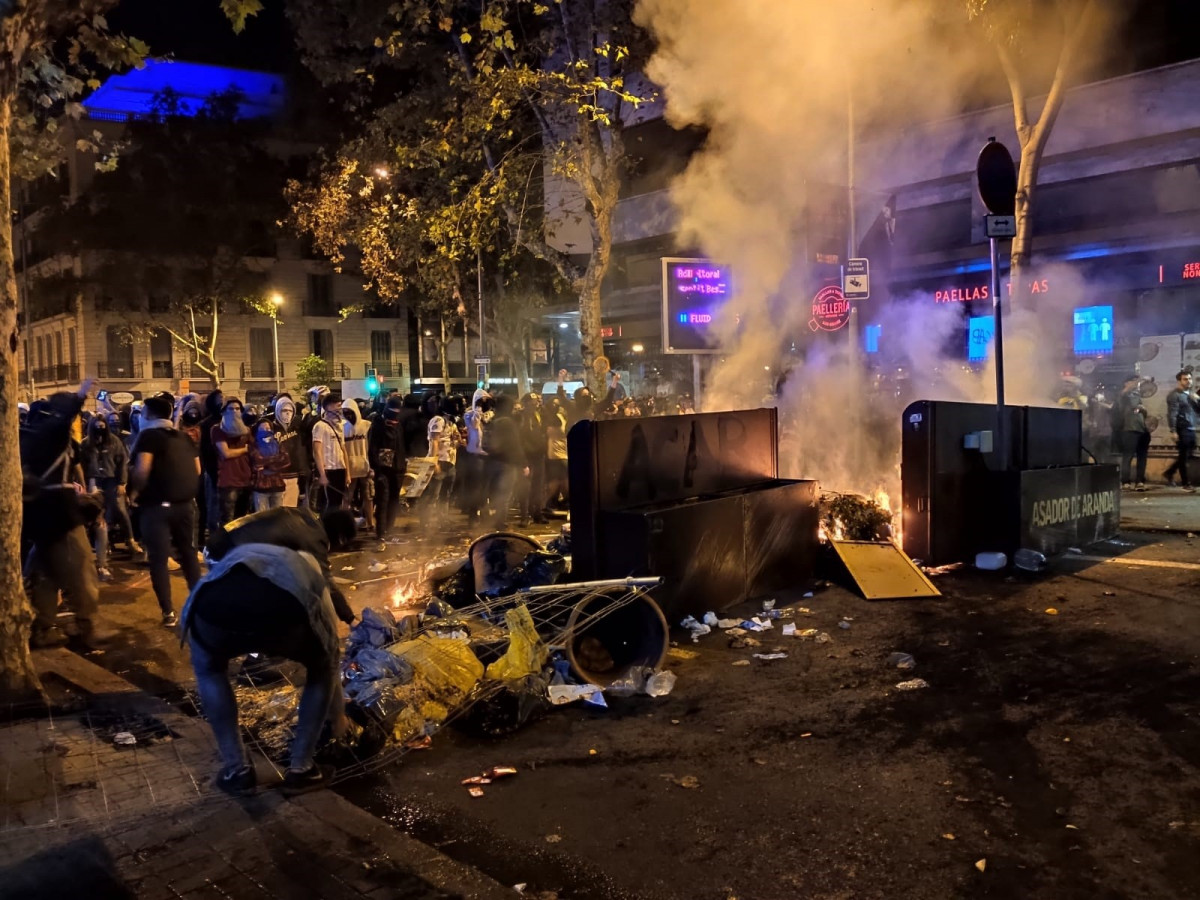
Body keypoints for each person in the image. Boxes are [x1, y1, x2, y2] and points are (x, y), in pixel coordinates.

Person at [181, 540, 351, 795]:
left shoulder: (235, 554)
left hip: (214, 611)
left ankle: (237, 771)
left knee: (209, 670)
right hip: (285, 612)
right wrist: (337, 714)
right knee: (322, 669)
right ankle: (302, 770)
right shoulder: (307, 564)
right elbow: (329, 650)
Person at [21, 383, 106, 649]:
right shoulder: (51, 436)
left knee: (46, 574)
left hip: (40, 515)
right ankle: (85, 626)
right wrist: (80, 395)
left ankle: (41, 628)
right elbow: (64, 417)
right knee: (82, 570)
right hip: (60, 515)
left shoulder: (28, 438)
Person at [127, 393, 203, 626]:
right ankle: (200, 604)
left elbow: (142, 470)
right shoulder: (184, 437)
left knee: (159, 559)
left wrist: (133, 493)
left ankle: (168, 613)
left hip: (156, 508)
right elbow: (198, 470)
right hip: (185, 506)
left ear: (148, 414)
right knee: (188, 554)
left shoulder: (147, 436)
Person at [81, 413, 141, 562]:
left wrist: (122, 483)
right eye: (97, 426)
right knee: (98, 513)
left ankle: (130, 540)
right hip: (95, 479)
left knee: (120, 509)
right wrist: (85, 483)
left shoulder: (114, 442)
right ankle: (104, 543)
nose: (100, 428)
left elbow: (122, 464)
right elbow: (82, 465)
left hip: (112, 479)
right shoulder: (86, 443)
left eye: (102, 426)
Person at [482, 394, 528, 529]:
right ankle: (500, 522)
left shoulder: (493, 420)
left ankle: (488, 515)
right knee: (505, 494)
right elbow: (515, 445)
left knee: (494, 492)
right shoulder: (508, 422)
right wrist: (523, 463)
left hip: (491, 461)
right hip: (506, 463)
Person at [212, 397, 254, 524]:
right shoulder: (218, 429)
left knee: (242, 519)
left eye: (237, 409)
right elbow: (226, 453)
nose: (235, 411)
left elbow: (254, 449)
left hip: (245, 479)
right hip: (228, 480)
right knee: (227, 521)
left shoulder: (247, 430)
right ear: (224, 411)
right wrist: (245, 449)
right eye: (231, 409)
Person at [368, 403, 406, 542]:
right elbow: (372, 447)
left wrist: (403, 465)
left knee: (394, 500)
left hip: (398, 468)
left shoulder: (398, 425)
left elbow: (402, 445)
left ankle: (389, 529)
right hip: (382, 469)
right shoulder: (378, 425)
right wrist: (375, 466)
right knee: (383, 500)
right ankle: (381, 532)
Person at [312, 394, 349, 513]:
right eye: (338, 406)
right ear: (328, 407)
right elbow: (317, 451)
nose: (340, 409)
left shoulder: (340, 426)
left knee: (338, 502)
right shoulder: (320, 426)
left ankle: (335, 528)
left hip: (340, 469)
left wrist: (347, 473)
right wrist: (322, 475)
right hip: (328, 469)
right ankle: (327, 528)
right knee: (329, 504)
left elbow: (343, 450)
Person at [1164, 369, 1198, 492]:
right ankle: (1186, 484)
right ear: (1179, 381)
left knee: (1188, 454)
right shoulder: (1175, 395)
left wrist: (1197, 400)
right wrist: (1173, 430)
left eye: (1189, 379)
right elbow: (1172, 414)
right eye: (1185, 379)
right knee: (1184, 456)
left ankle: (1169, 472)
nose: (1188, 381)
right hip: (1182, 428)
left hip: (1191, 427)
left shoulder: (1191, 394)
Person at [423, 408, 458, 525]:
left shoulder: (452, 423)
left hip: (450, 462)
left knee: (446, 494)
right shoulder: (438, 420)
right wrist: (434, 462)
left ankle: (442, 519)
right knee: (433, 494)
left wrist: (458, 440)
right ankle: (427, 521)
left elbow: (452, 442)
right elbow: (434, 441)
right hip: (440, 462)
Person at [342, 398, 373, 528]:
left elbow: (371, 447)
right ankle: (344, 524)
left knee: (368, 496)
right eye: (345, 413)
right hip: (350, 468)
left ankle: (371, 523)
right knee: (347, 497)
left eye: (350, 412)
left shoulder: (367, 426)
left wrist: (372, 466)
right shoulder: (342, 428)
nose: (348, 415)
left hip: (365, 467)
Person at [197, 390, 224, 539]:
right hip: (212, 469)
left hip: (229, 471)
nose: (222, 401)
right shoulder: (206, 424)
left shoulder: (228, 420)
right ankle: (214, 536)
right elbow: (205, 449)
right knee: (213, 505)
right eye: (219, 399)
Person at [518, 392, 548, 524]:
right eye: (533, 401)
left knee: (538, 485)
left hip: (539, 454)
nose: (535, 403)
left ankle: (537, 513)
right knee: (525, 486)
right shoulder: (520, 416)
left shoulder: (539, 414)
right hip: (526, 455)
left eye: (537, 401)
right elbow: (520, 437)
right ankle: (524, 516)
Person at [271, 394, 305, 507]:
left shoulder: (297, 428)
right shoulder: (270, 428)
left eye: (290, 410)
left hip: (293, 475)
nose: (287, 413)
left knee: (291, 510)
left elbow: (300, 451)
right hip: (276, 476)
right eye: (284, 410)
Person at [1117, 375, 1150, 491]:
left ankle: (1140, 481)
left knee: (1142, 457)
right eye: (1134, 381)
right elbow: (1123, 395)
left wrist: (1143, 409)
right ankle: (1125, 482)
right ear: (1127, 382)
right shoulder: (1124, 394)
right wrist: (1132, 385)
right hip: (1129, 429)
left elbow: (1141, 411)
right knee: (1128, 456)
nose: (1137, 383)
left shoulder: (1138, 394)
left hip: (1142, 428)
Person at [249, 420, 290, 511]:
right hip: (261, 487)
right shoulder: (254, 445)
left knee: (276, 517)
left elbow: (286, 460)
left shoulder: (278, 443)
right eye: (262, 428)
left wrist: (267, 466)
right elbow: (258, 461)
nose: (266, 430)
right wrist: (276, 460)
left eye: (268, 428)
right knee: (261, 518)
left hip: (277, 485)